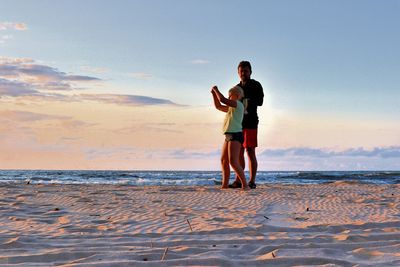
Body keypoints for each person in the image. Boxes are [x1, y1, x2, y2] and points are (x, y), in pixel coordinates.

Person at [230, 61, 264, 189]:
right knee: (239, 153)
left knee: (250, 151)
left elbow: (260, 102)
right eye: (241, 71)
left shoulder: (256, 85)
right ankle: (239, 180)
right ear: (238, 73)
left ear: (250, 72)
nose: (244, 73)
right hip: (238, 123)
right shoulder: (236, 88)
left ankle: (252, 181)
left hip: (251, 123)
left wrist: (246, 98)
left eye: (246, 71)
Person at [211, 85, 250, 191]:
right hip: (228, 135)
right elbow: (218, 106)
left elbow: (222, 100)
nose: (228, 98)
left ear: (237, 96)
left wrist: (216, 90)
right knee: (224, 160)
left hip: (236, 134)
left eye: (230, 96)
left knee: (233, 162)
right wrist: (213, 94)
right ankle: (224, 185)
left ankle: (245, 185)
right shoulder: (231, 108)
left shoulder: (239, 104)